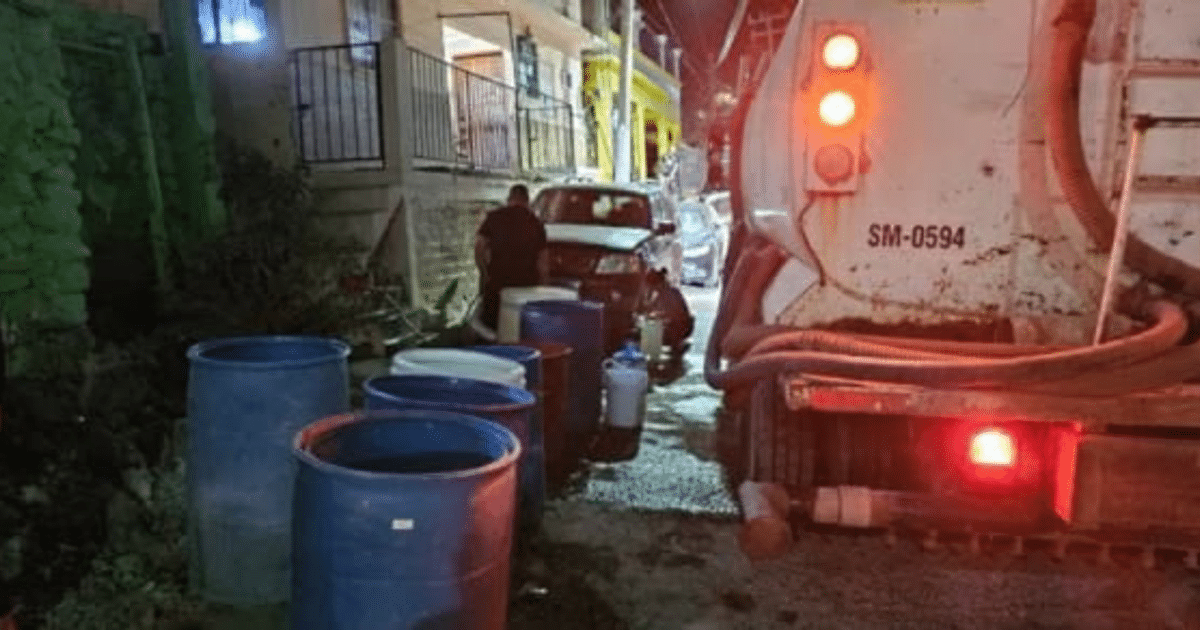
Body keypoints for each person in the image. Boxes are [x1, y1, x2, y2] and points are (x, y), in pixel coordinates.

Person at [474, 184, 548, 331]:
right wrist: (543, 289)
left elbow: (479, 248)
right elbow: (543, 263)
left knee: (491, 327)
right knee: (521, 329)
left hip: (497, 284)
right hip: (526, 287)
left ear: (509, 199)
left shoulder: (493, 217)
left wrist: (484, 273)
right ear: (527, 201)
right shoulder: (536, 223)